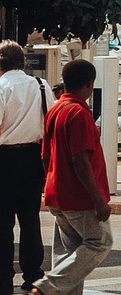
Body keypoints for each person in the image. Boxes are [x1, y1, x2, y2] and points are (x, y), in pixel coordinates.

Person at [37, 59, 111, 295]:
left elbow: (45, 157)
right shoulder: (78, 113)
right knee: (100, 242)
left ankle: (57, 289)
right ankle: (49, 286)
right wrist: (98, 199)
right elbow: (81, 160)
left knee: (70, 253)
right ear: (89, 85)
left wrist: (51, 182)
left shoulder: (55, 110)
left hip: (56, 192)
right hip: (79, 197)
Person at [0, 40, 50, 295]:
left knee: (3, 221)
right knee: (30, 219)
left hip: (5, 157)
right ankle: (33, 274)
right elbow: (49, 121)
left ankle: (4, 277)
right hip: (33, 155)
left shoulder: (1, 87)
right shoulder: (41, 85)